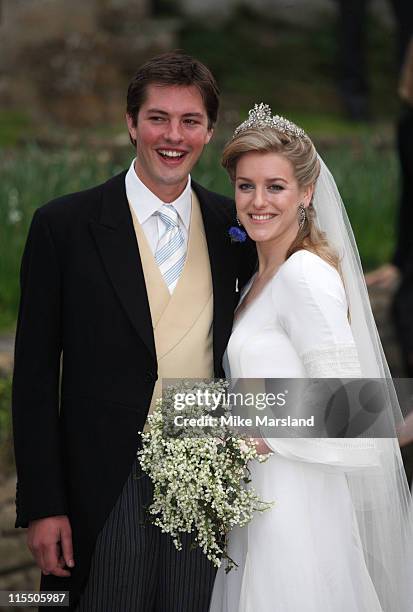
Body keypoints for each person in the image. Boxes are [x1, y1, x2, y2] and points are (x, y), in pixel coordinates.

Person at [12, 52, 255, 612]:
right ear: (130, 123)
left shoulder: (235, 227)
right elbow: (33, 377)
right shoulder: (64, 226)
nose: (173, 136)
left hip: (205, 479)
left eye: (190, 121)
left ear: (210, 131)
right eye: (157, 118)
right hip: (100, 481)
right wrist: (45, 504)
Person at [209, 104, 413, 611]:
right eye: (246, 186)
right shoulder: (257, 281)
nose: (258, 202)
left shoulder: (305, 276)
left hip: (298, 509)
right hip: (259, 503)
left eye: (275, 186)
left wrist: (260, 436)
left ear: (305, 193)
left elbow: (358, 415)